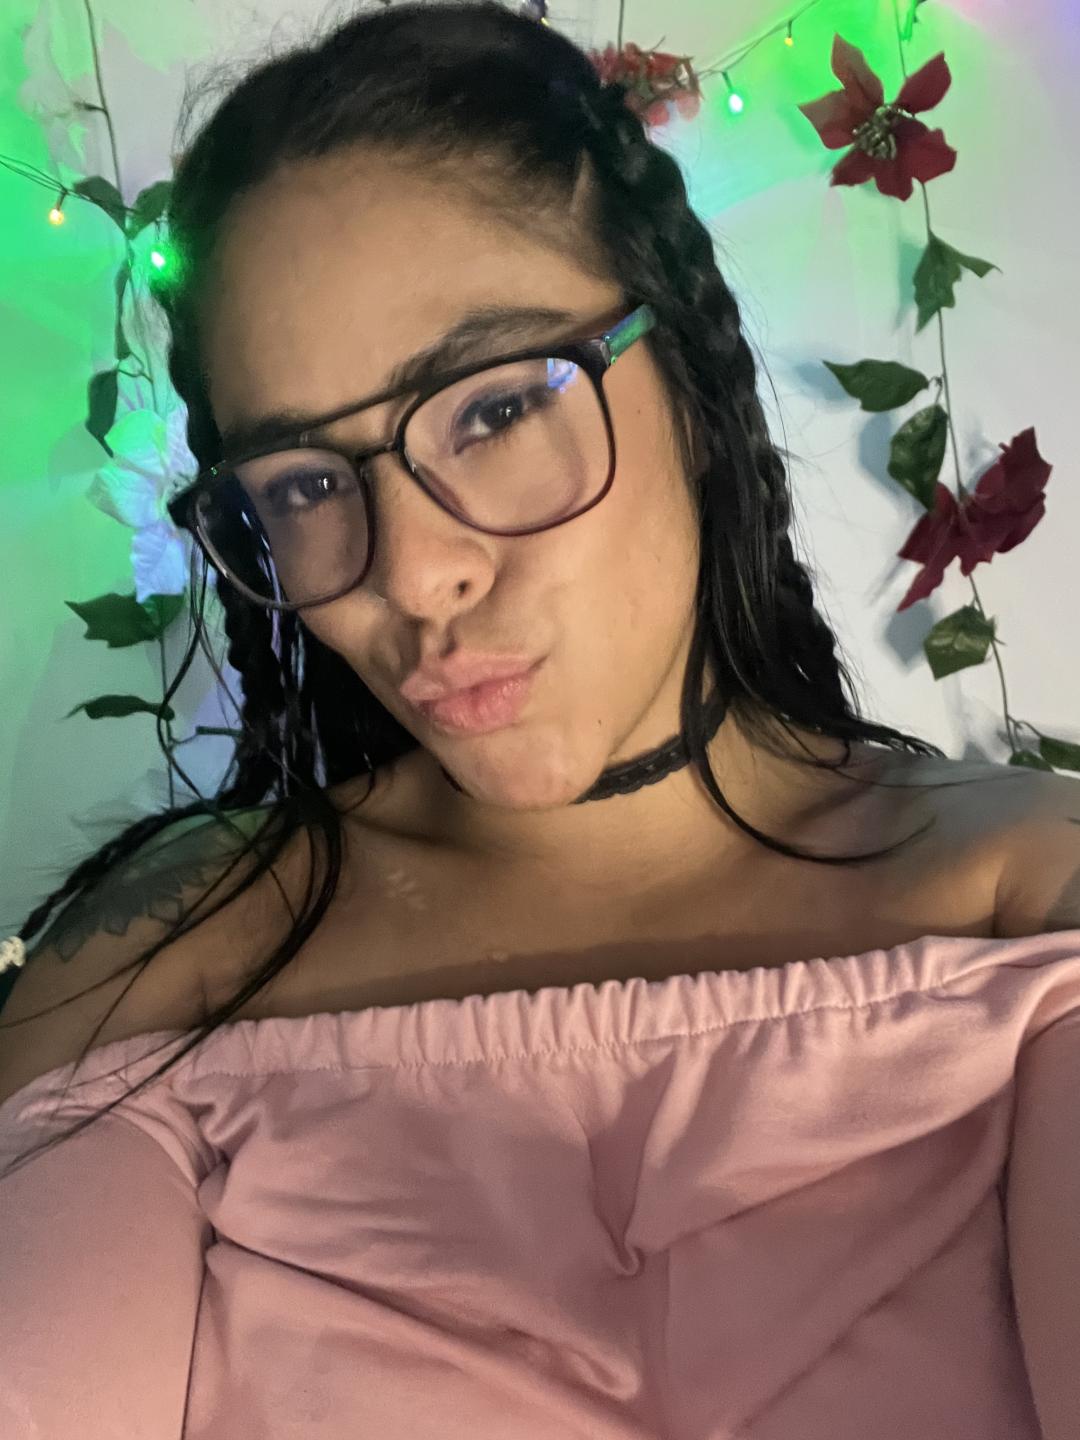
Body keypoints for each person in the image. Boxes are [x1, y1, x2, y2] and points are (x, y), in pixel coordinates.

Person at [1, 3, 1078, 1436]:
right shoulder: (169, 952)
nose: (410, 575)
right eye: (306, 482)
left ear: (690, 385)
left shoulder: (1031, 898)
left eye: (496, 410)